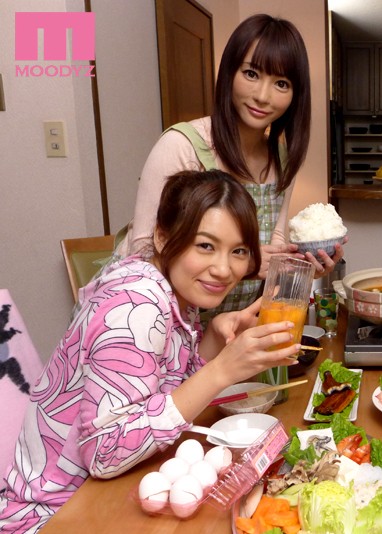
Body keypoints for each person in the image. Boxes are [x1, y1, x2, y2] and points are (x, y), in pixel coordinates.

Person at [0, 170, 302, 533]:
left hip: (108, 491)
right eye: (205, 246)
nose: (224, 269)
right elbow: (104, 453)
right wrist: (222, 370)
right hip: (52, 513)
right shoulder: (136, 304)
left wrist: (213, 340)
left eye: (238, 251)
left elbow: (167, 399)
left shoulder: (173, 290)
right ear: (162, 237)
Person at [119, 14, 345, 321]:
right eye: (251, 73)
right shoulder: (182, 145)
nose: (262, 96)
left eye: (281, 83)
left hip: (231, 327)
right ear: (229, 72)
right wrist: (247, 265)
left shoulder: (282, 157)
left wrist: (302, 266)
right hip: (154, 323)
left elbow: (275, 244)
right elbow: (143, 255)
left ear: (296, 95)